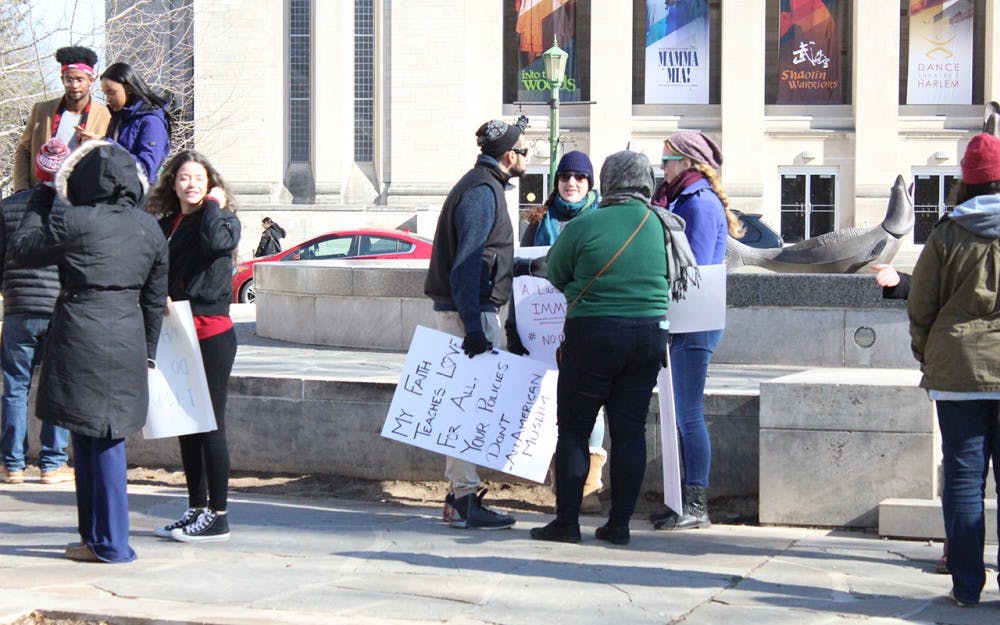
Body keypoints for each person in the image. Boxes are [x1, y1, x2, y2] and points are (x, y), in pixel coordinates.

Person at [11, 140, 167, 562]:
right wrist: (148, 352)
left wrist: (43, 195)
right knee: (99, 439)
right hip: (128, 332)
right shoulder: (149, 228)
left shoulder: (76, 221)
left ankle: (111, 543)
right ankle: (96, 538)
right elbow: (155, 300)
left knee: (94, 440)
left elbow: (22, 249)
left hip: (82, 328)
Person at [530, 150, 669, 545]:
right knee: (629, 432)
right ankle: (619, 525)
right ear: (646, 181)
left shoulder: (586, 224)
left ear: (607, 180)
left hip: (592, 333)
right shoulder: (665, 225)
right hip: (648, 336)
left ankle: (567, 523)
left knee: (574, 430)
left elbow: (555, 274)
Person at [907, 132, 1000, 607]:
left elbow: (920, 305)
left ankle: (966, 587)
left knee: (964, 479)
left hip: (958, 370)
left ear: (965, 182)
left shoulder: (946, 234)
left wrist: (927, 351)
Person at [424, 115, 528, 529]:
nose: (525, 157)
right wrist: (472, 326)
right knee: (468, 409)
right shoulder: (482, 193)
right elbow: (468, 261)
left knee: (464, 407)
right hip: (472, 313)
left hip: (472, 310)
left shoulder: (481, 186)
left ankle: (460, 496)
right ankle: (464, 499)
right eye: (523, 151)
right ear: (508, 157)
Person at [649, 130, 743, 531]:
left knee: (688, 415)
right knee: (680, 414)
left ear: (688, 162)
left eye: (668, 159)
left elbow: (696, 269)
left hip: (695, 322)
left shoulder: (700, 204)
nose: (662, 166)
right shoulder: (683, 199)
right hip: (685, 319)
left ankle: (696, 504)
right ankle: (681, 502)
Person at [146, 151, 241, 542]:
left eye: (199, 178)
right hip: (176, 332)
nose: (191, 184)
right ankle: (195, 507)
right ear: (173, 183)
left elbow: (217, 243)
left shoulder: (220, 219)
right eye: (184, 177)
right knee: (186, 424)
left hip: (211, 332)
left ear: (211, 182)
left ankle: (218, 514)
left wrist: (215, 205)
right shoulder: (166, 224)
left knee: (210, 423)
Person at [506, 150, 608, 508]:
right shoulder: (540, 219)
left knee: (592, 406)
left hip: (587, 323)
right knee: (552, 404)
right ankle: (560, 481)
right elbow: (520, 275)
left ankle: (589, 486)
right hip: (545, 329)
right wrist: (514, 324)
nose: (572, 183)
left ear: (590, 183)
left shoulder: (601, 219)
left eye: (580, 177)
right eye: (566, 177)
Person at [0, 139, 74, 485]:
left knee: (15, 388)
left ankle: (12, 464)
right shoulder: (72, 209)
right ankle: (52, 463)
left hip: (18, 308)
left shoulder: (8, 208)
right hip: (58, 308)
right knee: (57, 386)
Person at [12, 46, 111, 192]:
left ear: (90, 80)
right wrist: (21, 188)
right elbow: (24, 151)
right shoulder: (42, 111)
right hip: (42, 193)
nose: (74, 85)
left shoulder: (105, 115)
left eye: (79, 80)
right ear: (62, 79)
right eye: (69, 80)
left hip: (82, 198)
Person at [96, 62, 172, 184]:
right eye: (105, 94)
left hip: (141, 198)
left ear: (128, 89)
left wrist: (107, 146)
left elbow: (146, 170)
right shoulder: (118, 117)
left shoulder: (151, 121)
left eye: (111, 92)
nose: (108, 99)